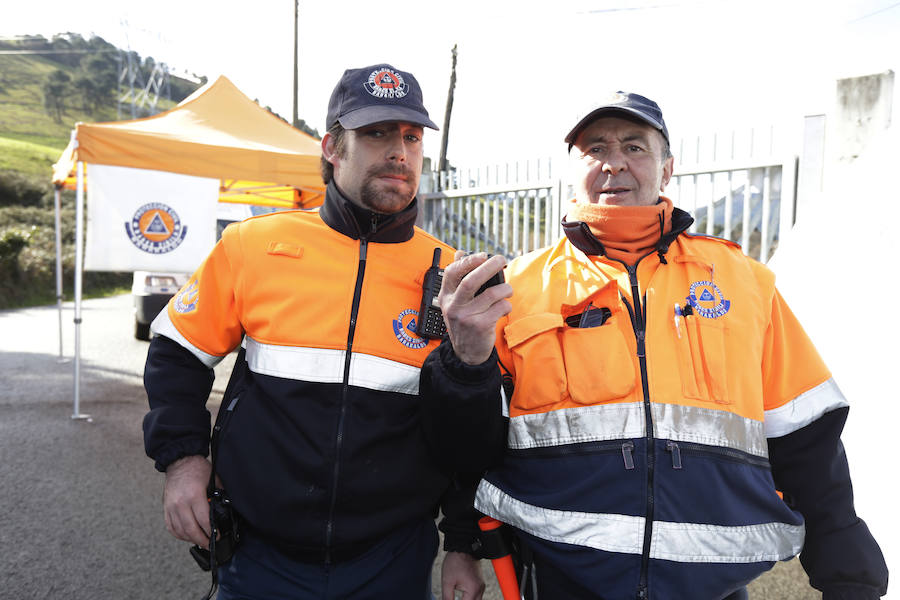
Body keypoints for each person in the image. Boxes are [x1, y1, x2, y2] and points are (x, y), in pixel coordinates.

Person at [419, 92, 889, 599]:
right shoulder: (517, 288)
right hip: (562, 580)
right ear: (573, 168)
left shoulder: (745, 283)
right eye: (594, 147)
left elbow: (805, 436)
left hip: (712, 587)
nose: (614, 162)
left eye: (635, 147)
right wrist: (461, 544)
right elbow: (469, 449)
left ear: (667, 169)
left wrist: (846, 564)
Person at [143, 63, 487, 600]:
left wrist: (462, 545)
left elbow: (469, 432)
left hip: (392, 560)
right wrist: (184, 462)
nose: (399, 151)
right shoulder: (253, 245)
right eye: (376, 133)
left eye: (412, 137)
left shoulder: (455, 277)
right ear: (332, 147)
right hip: (259, 555)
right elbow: (176, 355)